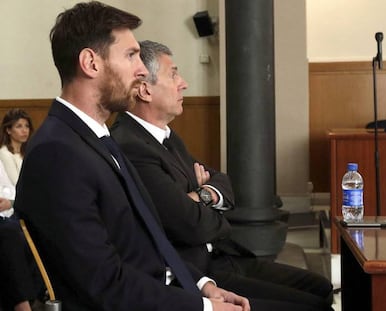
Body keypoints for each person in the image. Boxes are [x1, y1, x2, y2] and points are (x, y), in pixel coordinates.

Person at [14, 2, 309, 311]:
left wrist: (203, 286)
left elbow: (146, 241)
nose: (141, 70)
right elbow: (103, 283)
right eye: (130, 55)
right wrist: (204, 309)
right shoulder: (58, 153)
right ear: (90, 63)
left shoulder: (95, 138)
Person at [111, 40, 334, 310]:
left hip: (222, 254)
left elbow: (222, 182)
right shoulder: (131, 145)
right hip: (198, 273)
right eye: (174, 74)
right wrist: (207, 202)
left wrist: (199, 195)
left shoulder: (165, 135)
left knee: (322, 288)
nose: (183, 83)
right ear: (145, 89)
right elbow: (188, 224)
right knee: (314, 306)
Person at [0, 161, 42, 311]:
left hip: (8, 215)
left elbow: (11, 190)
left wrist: (9, 200)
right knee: (10, 234)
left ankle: (41, 296)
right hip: (6, 221)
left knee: (35, 227)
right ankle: (24, 306)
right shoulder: (5, 155)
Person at [0, 109, 34, 186]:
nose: (24, 130)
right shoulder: (5, 153)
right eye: (19, 126)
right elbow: (16, 182)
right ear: (8, 130)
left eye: (27, 126)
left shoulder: (28, 151)